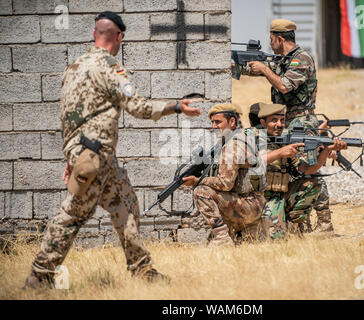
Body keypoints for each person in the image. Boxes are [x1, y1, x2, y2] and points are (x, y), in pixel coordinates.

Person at [23, 11, 202, 289]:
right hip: (96, 157)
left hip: (90, 157)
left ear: (95, 34)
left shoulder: (72, 69)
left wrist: (73, 157)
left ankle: (142, 269)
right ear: (118, 37)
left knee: (127, 205)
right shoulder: (110, 68)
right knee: (72, 214)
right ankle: (39, 276)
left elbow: (68, 118)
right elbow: (139, 108)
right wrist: (176, 106)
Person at [246, 103, 346, 239]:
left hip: (279, 197)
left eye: (282, 120)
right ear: (263, 122)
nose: (279, 124)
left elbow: (307, 170)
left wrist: (327, 150)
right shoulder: (250, 136)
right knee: (274, 240)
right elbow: (249, 162)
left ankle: (293, 226)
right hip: (255, 199)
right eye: (274, 120)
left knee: (313, 182)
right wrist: (279, 153)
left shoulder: (288, 138)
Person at [181, 104, 267, 246]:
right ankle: (246, 231)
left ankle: (222, 239)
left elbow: (225, 184)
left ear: (232, 122)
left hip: (249, 205)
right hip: (256, 203)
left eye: (218, 122)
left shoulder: (233, 145)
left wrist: (197, 181)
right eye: (212, 122)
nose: (213, 126)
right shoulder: (241, 138)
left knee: (201, 192)